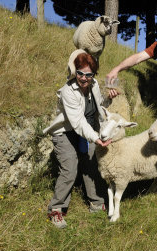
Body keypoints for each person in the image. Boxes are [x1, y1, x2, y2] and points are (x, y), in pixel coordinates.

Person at [43, 51, 118, 229]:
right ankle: (56, 209)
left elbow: (99, 108)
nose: (84, 78)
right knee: (70, 168)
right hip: (66, 132)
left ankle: (96, 202)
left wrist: (109, 99)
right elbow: (78, 122)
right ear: (74, 72)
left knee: (92, 163)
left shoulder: (95, 85)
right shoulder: (68, 91)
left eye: (88, 74)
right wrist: (96, 138)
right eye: (80, 73)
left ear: (94, 75)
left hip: (88, 130)